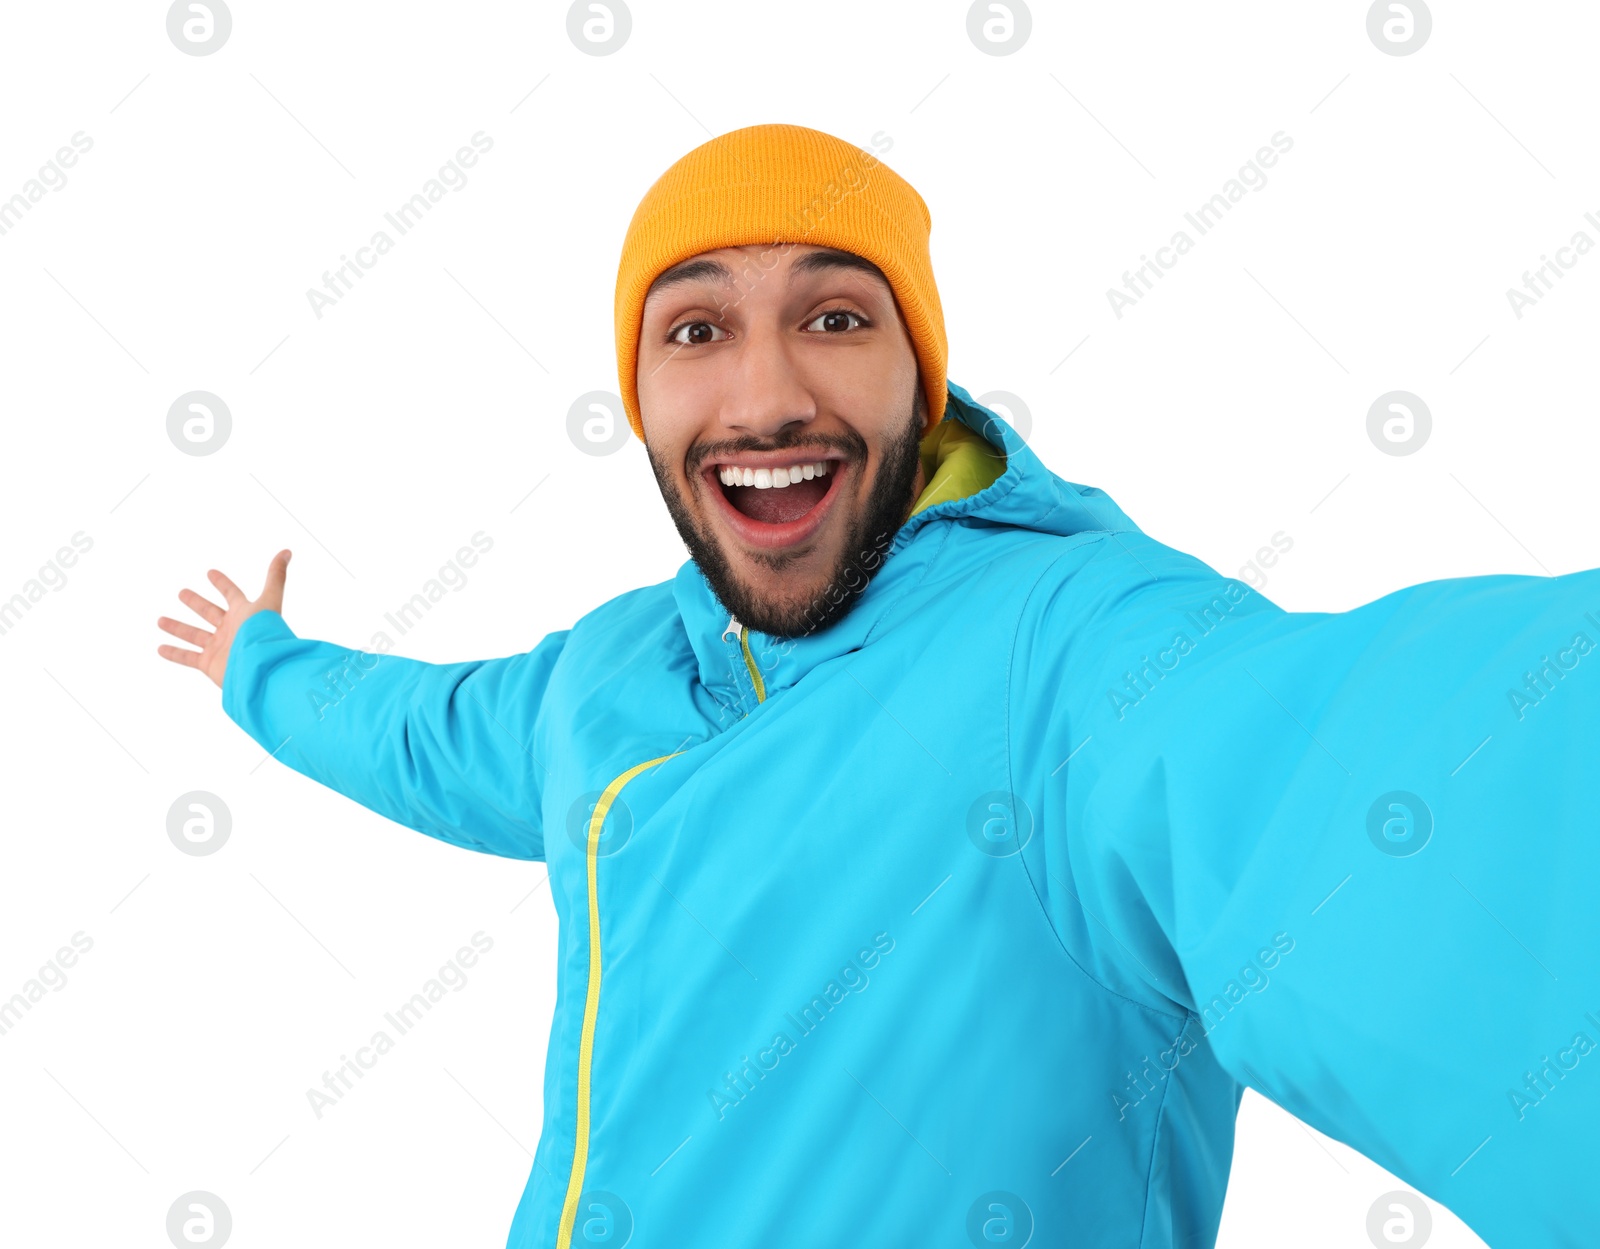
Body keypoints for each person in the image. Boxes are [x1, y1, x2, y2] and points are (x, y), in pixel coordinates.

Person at [157, 123, 1599, 1249]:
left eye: (838, 319)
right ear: (639, 397)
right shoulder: (604, 670)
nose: (765, 394)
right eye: (695, 328)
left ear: (926, 377)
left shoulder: (1072, 648)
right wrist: (259, 666)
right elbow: (419, 730)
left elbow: (1344, 780)